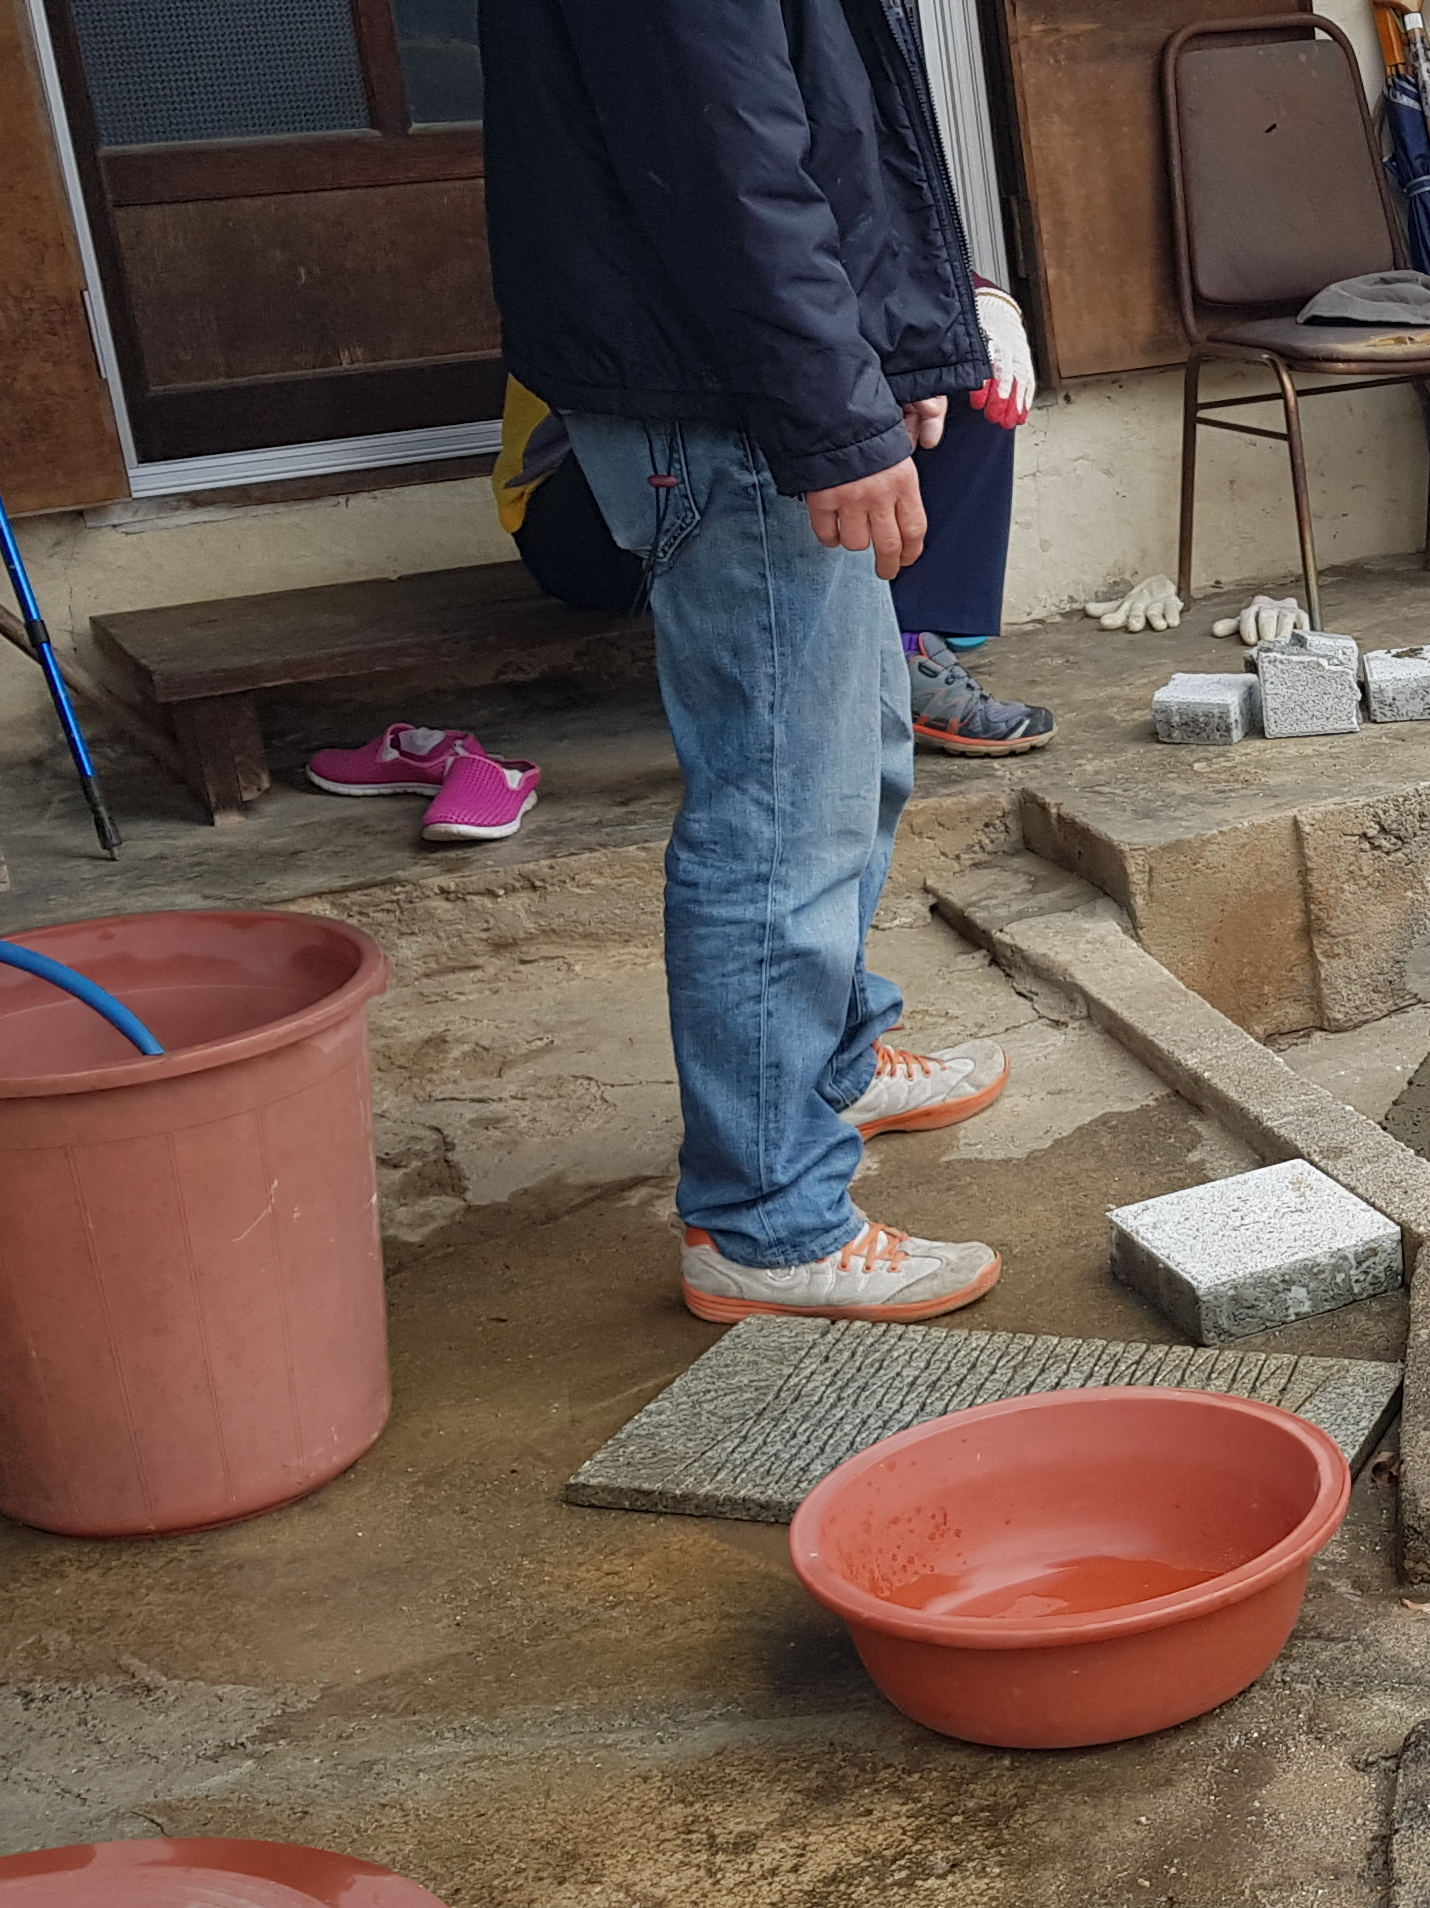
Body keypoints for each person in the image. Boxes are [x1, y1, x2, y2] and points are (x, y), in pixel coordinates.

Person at [484, 0, 1020, 1323]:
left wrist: (896, 340)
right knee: (782, 810)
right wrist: (831, 410)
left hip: (746, 381)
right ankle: (766, 1222)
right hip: (728, 401)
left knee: (855, 754)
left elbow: (822, 117)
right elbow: (728, 165)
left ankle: (829, 1065)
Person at [490, 324, 1055, 758]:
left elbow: (906, 279)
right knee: (789, 390)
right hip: (586, 510)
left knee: (969, 361)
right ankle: (827, 677)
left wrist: (984, 306)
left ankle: (910, 635)